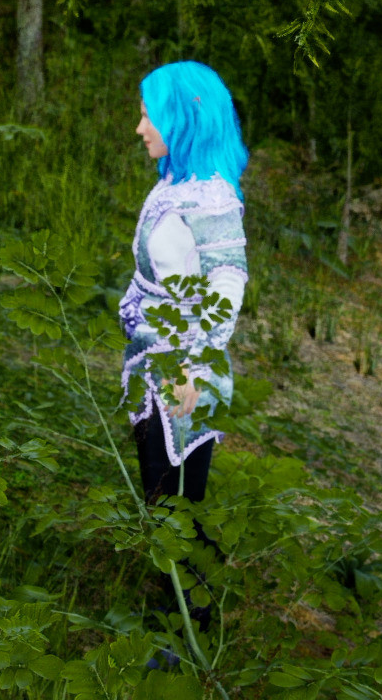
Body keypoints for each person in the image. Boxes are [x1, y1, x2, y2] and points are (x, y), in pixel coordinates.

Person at [120, 60, 249, 642]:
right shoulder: (173, 184)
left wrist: (195, 369)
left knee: (177, 508)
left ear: (182, 118)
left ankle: (185, 635)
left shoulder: (211, 197)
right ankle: (176, 622)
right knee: (162, 502)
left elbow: (228, 282)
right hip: (155, 364)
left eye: (149, 115)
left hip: (185, 374)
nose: (140, 128)